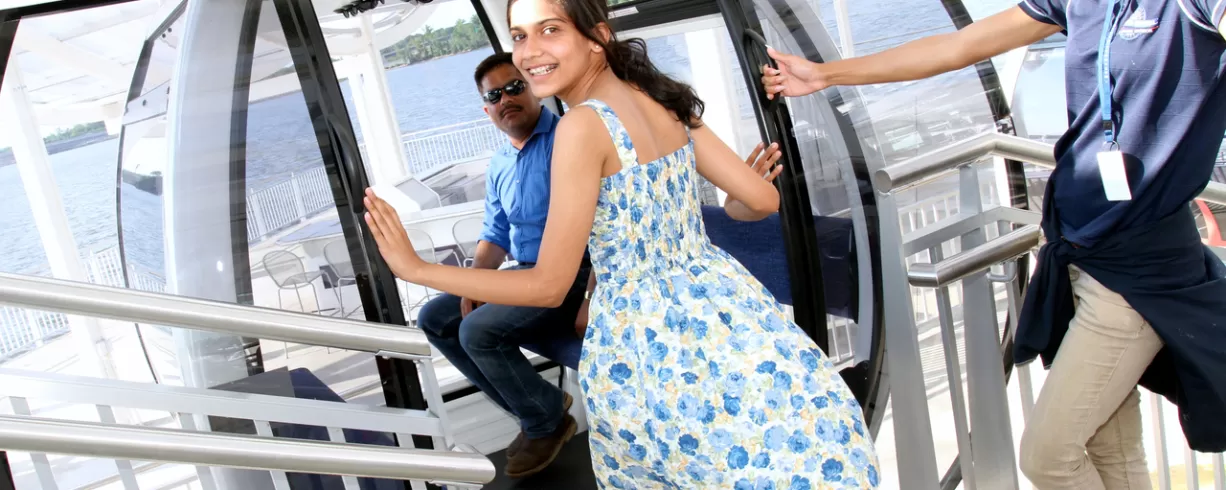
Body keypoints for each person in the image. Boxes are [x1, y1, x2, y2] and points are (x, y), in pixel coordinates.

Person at [362, 0, 881, 485]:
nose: (529, 51)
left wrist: (417, 269)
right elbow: (761, 201)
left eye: (550, 30)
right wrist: (728, 202)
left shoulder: (581, 126)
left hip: (646, 337)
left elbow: (548, 286)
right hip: (724, 310)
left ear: (597, 38)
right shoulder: (662, 97)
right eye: (519, 36)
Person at [761, 2, 1226, 489]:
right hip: (1078, 252)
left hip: (1140, 271)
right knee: (1110, 444)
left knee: (1049, 457)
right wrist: (824, 75)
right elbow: (958, 46)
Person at [413, 52, 790, 480]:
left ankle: (544, 421)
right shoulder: (500, 164)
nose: (506, 99)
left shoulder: (573, 136)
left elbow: (607, 225)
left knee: (476, 331)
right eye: (494, 95)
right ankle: (536, 407)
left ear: (534, 89)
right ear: (486, 110)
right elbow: (495, 235)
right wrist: (473, 284)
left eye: (515, 87)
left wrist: (591, 297)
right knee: (437, 317)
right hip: (524, 273)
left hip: (574, 275)